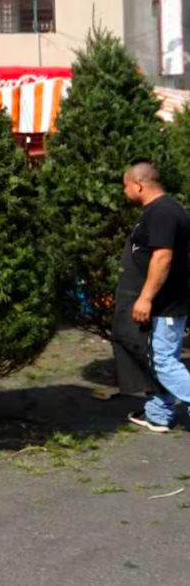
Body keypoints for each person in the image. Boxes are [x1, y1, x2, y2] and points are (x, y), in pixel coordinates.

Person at [115, 162, 190, 432]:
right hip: (163, 302)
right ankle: (158, 413)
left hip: (165, 304)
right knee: (157, 359)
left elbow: (162, 257)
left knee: (164, 362)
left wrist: (145, 297)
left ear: (138, 185)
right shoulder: (163, 210)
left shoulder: (162, 213)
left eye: (125, 186)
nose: (124, 191)